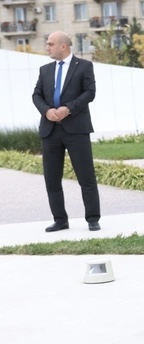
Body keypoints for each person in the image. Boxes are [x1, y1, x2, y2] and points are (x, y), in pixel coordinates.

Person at [31, 31, 101, 232]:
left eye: (51, 44)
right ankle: (60, 220)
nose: (47, 47)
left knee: (86, 176)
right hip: (50, 130)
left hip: (76, 129)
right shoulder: (45, 70)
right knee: (52, 179)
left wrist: (67, 108)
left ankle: (93, 218)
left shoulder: (84, 66)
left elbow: (90, 92)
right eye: (47, 44)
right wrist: (47, 111)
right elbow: (36, 95)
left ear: (64, 46)